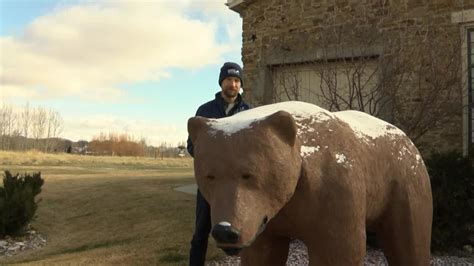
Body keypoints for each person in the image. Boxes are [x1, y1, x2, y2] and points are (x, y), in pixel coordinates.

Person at [187, 62, 251, 266]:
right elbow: (192, 146)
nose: (233, 84)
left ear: (240, 84)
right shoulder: (205, 111)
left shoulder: (249, 112)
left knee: (245, 231)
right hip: (211, 183)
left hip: (239, 186)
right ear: (221, 82)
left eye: (236, 80)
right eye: (229, 80)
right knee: (201, 232)